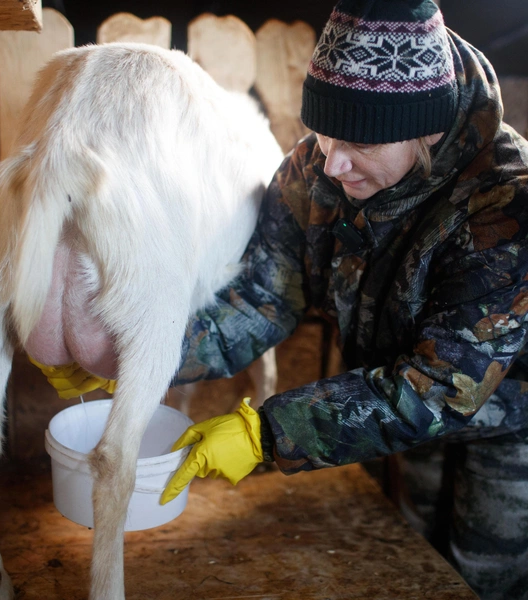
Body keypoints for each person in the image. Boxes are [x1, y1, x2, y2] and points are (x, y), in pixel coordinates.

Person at [159, 1, 528, 599]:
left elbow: (437, 388)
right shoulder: (318, 168)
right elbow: (266, 297)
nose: (331, 162)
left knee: (483, 573)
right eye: (323, 132)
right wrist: (147, 357)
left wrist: (269, 435)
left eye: (356, 141)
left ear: (426, 128)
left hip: (507, 415)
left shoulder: (506, 205)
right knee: (412, 551)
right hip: (396, 402)